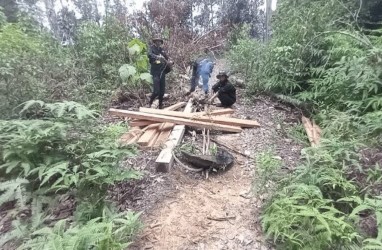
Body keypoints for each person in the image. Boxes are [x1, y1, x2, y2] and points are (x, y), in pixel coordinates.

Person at [147, 37, 173, 109]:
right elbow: (149, 55)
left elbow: (167, 58)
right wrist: (157, 57)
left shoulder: (162, 50)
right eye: (157, 41)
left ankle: (160, 105)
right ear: (154, 42)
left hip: (163, 71)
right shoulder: (152, 48)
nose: (158, 43)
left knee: (162, 92)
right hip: (155, 72)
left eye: (159, 42)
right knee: (156, 91)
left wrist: (170, 62)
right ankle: (150, 102)